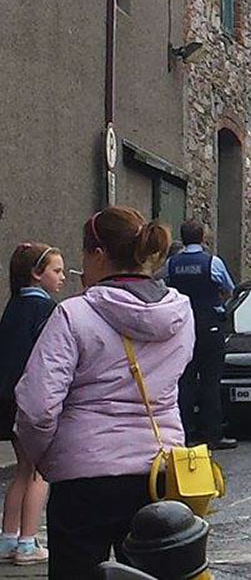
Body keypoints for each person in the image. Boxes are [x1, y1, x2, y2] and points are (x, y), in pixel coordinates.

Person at [15, 207, 194, 579]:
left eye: (83, 254)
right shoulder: (180, 313)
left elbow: (37, 407)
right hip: (160, 472)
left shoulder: (71, 314)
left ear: (98, 254)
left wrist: (44, 457)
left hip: (84, 479)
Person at [0, 243, 65, 565]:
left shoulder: (13, 307)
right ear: (37, 275)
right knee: (40, 473)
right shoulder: (47, 310)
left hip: (8, 401)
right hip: (33, 403)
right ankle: (27, 543)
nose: (63, 277)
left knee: (22, 472)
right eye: (56, 271)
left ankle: (8, 538)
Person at [166, 220, 237, 450]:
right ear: (202, 237)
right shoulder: (212, 262)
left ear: (182, 237)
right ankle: (213, 435)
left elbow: (161, 285)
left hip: (182, 325)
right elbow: (229, 288)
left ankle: (186, 434)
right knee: (210, 381)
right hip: (209, 326)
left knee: (185, 381)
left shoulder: (172, 263)